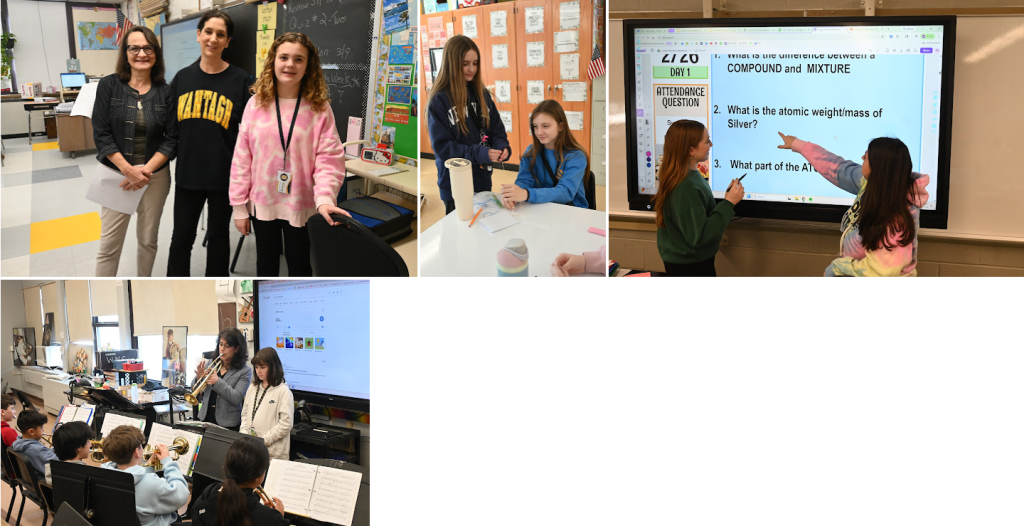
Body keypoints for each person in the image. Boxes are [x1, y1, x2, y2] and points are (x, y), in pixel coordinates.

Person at [228, 32, 349, 277]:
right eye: (284, 57)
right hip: (263, 203)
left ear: (308, 67)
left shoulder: (320, 108)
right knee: (266, 265)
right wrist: (239, 207)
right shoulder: (256, 104)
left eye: (298, 59)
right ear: (273, 61)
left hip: (301, 204)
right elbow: (242, 159)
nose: (290, 64)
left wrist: (325, 198)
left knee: (300, 265)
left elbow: (329, 159)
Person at [166, 10, 254, 277]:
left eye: (221, 34)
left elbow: (249, 134)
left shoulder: (241, 80)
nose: (213, 38)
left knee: (218, 239)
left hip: (223, 178)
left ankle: (217, 289)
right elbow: (170, 129)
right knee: (181, 238)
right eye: (208, 32)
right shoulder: (181, 79)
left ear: (228, 42)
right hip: (188, 176)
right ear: (198, 35)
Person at [778, 132, 929, 276]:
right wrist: (798, 145)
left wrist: (836, 269)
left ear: (878, 168)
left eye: (866, 157)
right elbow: (838, 168)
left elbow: (880, 273)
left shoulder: (898, 219)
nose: (861, 158)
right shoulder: (872, 183)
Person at [91, 26, 176, 277]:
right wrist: (127, 170)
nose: (142, 53)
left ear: (156, 53)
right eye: (134, 48)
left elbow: (172, 139)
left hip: (155, 176)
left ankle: (144, 284)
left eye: (148, 48)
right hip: (117, 175)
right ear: (125, 53)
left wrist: (144, 171)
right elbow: (101, 133)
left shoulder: (166, 91)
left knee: (148, 241)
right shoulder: (109, 85)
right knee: (108, 246)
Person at [427, 35, 510, 214]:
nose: (471, 69)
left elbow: (496, 129)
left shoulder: (482, 94)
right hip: (454, 184)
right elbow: (443, 148)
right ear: (452, 63)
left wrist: (502, 147)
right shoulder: (439, 100)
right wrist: (479, 153)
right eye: (465, 64)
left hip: (482, 180)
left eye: (475, 63)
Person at [652, 119, 744, 277]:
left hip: (688, 263)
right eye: (707, 141)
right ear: (691, 150)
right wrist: (728, 203)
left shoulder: (687, 177)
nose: (711, 145)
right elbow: (700, 237)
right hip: (690, 267)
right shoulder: (686, 186)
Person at [501, 100, 591, 210]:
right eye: (535, 126)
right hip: (540, 208)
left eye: (545, 126)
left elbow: (566, 192)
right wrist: (514, 193)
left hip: (570, 210)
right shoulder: (531, 151)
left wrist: (527, 194)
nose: (539, 132)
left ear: (560, 126)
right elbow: (524, 181)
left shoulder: (576, 156)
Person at [100, 425, 189, 526]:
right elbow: (181, 495)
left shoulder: (104, 474)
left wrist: (147, 468)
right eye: (141, 446)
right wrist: (168, 462)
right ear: (136, 452)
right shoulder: (152, 484)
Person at [192, 436, 288, 526]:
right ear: (258, 477)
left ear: (226, 467)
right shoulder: (271, 518)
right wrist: (277, 517)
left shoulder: (209, 493)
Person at [240, 348, 293, 461]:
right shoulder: (252, 388)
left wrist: (264, 441)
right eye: (256, 367)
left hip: (273, 454)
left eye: (263, 368)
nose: (259, 371)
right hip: (252, 450)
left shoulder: (283, 391)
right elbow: (244, 415)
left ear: (273, 367)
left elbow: (285, 424)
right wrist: (244, 435)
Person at [195, 328, 253, 432]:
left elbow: (236, 398)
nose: (222, 349)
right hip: (205, 417)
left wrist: (218, 382)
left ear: (236, 349)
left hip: (228, 423)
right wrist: (198, 378)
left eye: (227, 346)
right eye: (221, 344)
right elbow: (196, 390)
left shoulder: (245, 371)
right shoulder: (210, 363)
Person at [9, 409, 57, 482]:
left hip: (33, 486)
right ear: (31, 431)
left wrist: (55, 448)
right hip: (45, 487)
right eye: (41, 428)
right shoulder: (36, 450)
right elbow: (58, 465)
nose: (43, 430)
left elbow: (44, 456)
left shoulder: (18, 443)